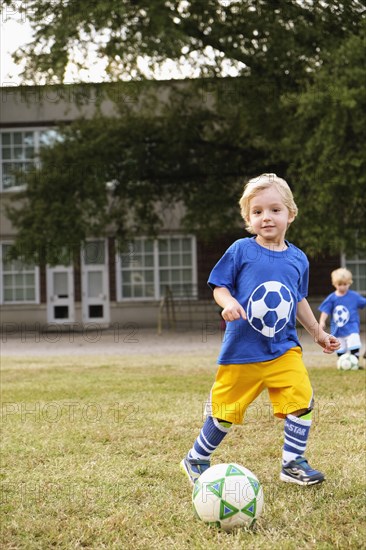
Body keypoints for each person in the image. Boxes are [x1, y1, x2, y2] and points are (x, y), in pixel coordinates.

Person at [180, 173, 340, 487]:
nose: (266, 217)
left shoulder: (298, 259)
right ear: (248, 218)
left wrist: (318, 333)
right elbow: (219, 286)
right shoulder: (241, 250)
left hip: (283, 349)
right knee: (225, 413)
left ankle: (292, 463)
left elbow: (298, 299)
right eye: (257, 212)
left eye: (274, 210)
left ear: (290, 214)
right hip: (242, 352)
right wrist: (226, 303)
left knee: (301, 398)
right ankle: (196, 458)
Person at [318, 268, 366, 362]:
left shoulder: (354, 296)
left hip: (352, 327)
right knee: (340, 347)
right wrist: (322, 321)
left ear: (349, 283)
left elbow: (363, 302)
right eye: (340, 284)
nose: (342, 287)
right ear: (334, 284)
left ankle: (354, 362)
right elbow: (325, 310)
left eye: (345, 284)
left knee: (354, 342)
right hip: (338, 329)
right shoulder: (332, 298)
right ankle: (342, 362)